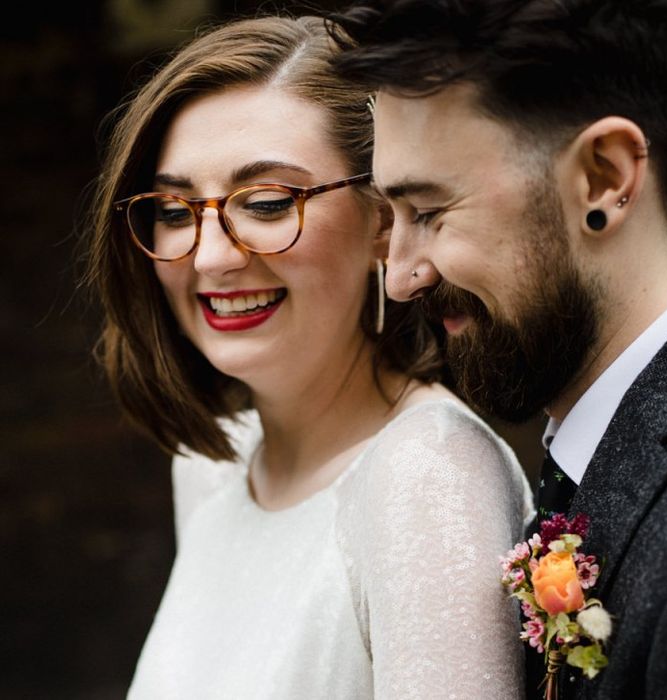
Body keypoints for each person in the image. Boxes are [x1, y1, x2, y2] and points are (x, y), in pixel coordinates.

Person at [84, 14, 533, 700]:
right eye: (176, 211)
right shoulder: (214, 464)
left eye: (265, 203)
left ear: (384, 221)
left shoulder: (426, 476)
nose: (210, 256)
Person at [330, 1, 667, 698]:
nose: (402, 276)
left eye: (431, 211)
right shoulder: (607, 459)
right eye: (392, 216)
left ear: (604, 178)